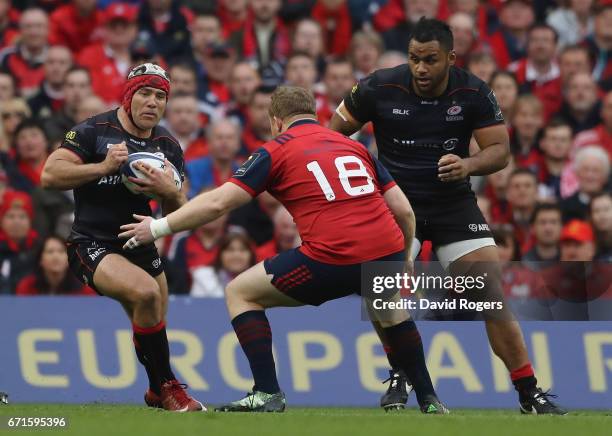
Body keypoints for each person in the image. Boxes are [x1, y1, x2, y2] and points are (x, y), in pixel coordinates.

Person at [120, 85, 447, 414]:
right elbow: (403, 210)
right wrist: (405, 258)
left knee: (240, 292)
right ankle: (429, 399)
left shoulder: (276, 149)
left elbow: (219, 202)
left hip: (334, 255)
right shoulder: (353, 145)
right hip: (386, 248)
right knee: (388, 307)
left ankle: (266, 392)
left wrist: (158, 227)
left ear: (276, 121)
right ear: (315, 115)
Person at [330, 17, 566, 414]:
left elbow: (499, 151)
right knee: (382, 292)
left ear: (450, 58)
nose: (421, 68)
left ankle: (528, 391)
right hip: (397, 204)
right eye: (414, 58)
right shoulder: (378, 85)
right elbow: (332, 138)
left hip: (452, 205)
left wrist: (469, 165)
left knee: (490, 295)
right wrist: (367, 177)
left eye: (430, 60)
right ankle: (401, 373)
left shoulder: (473, 91)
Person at [40, 63, 204, 412]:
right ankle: (169, 389)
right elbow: (49, 175)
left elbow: (182, 211)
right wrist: (102, 167)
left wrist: (169, 191)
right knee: (145, 295)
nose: (153, 103)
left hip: (139, 242)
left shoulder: (168, 145)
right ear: (129, 97)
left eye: (161, 96)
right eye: (145, 93)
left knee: (152, 316)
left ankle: (155, 392)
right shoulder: (94, 131)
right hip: (91, 242)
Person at [16, 235, 95, 296]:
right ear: (40, 260)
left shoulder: (85, 291)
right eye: (50, 252)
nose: (56, 257)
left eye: (61, 251)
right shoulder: (27, 287)